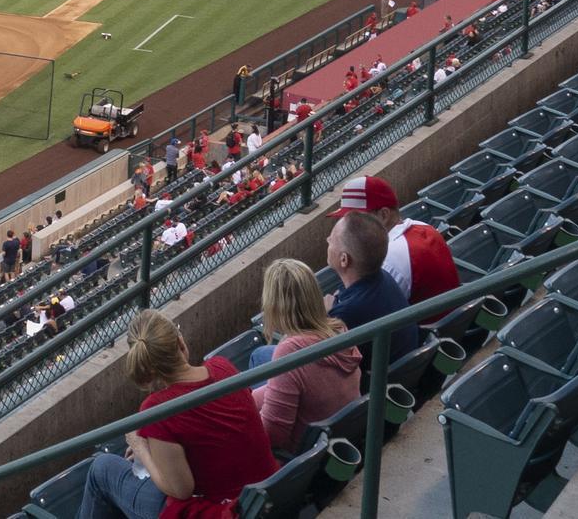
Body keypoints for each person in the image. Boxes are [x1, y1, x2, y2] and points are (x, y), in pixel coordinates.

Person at [76, 309, 276, 519]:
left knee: (101, 469)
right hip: (264, 494)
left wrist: (140, 447)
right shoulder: (222, 366)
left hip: (225, 510)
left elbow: (181, 490)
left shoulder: (158, 409)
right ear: (180, 342)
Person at [249, 259, 360, 455]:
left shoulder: (290, 351)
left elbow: (274, 435)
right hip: (341, 433)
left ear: (274, 306)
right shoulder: (339, 327)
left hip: (307, 455)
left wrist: (245, 415)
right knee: (259, 358)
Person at [335, 175, 461, 314]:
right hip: (449, 320)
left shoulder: (388, 256)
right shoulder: (422, 226)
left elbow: (366, 314)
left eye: (355, 220)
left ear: (383, 215)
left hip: (426, 329)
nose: (347, 226)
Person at [326, 212, 417, 364]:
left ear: (344, 259)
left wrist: (326, 316)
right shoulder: (383, 277)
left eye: (331, 240)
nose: (327, 240)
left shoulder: (346, 313)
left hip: (374, 383)